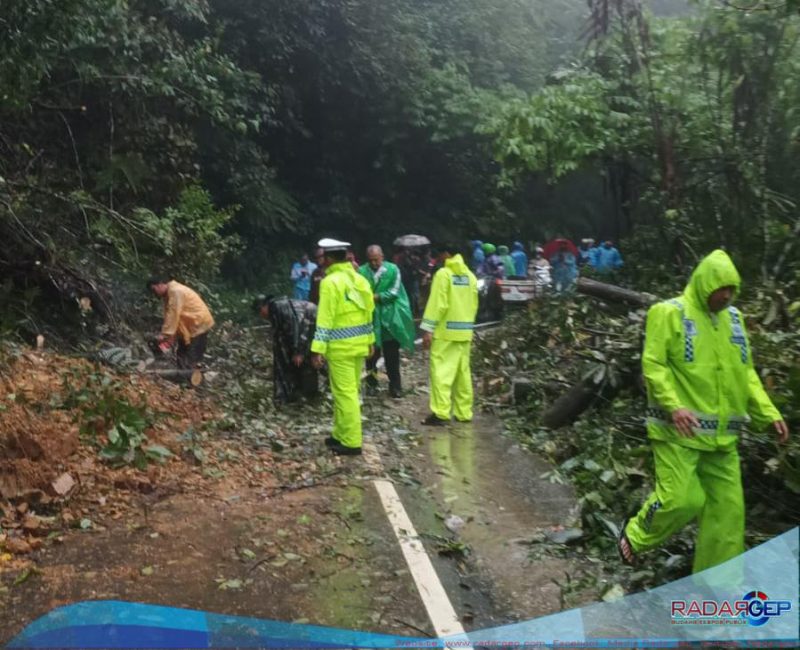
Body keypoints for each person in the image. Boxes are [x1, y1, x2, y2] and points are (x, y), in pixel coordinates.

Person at [619, 250, 788, 573]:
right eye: (720, 288)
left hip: (723, 440)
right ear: (704, 283)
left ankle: (719, 589)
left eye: (731, 289)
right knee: (683, 500)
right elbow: (653, 365)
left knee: (728, 515)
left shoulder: (734, 321)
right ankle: (635, 535)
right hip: (677, 433)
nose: (725, 295)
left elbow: (746, 373)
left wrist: (769, 414)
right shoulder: (669, 313)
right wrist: (674, 406)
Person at [310, 238, 375, 456]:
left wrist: (317, 349)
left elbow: (325, 318)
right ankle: (339, 434)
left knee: (345, 394)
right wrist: (370, 340)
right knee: (347, 391)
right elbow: (368, 313)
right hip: (359, 346)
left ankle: (351, 441)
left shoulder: (330, 282)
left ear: (328, 259)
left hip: (341, 348)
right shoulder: (359, 280)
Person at [420, 244, 479, 426]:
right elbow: (474, 304)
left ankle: (441, 413)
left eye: (439, 255)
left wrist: (428, 329)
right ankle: (464, 412)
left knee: (441, 373)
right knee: (462, 374)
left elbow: (438, 303)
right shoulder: (470, 276)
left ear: (446, 254)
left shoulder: (443, 275)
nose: (438, 259)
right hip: (464, 331)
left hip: (445, 332)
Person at [359, 245, 416, 398]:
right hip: (370, 319)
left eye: (376, 260)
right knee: (371, 355)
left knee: (392, 356)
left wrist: (375, 297)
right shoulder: (361, 272)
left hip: (389, 319)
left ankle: (395, 387)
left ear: (382, 257)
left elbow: (394, 292)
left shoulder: (393, 270)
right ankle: (371, 384)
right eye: (371, 260)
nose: (374, 264)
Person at [255, 295, 319, 403]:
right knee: (290, 357)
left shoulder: (279, 306)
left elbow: (297, 327)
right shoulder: (275, 310)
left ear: (264, 306)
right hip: (304, 323)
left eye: (260, 311)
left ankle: (310, 394)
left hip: (310, 318)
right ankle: (295, 391)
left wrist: (299, 351)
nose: (261, 315)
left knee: (305, 359)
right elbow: (281, 337)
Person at [147, 277, 214, 370]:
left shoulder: (175, 292)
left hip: (198, 324)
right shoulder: (170, 294)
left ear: (160, 284)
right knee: (182, 353)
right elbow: (171, 316)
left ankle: (190, 378)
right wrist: (170, 336)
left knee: (191, 355)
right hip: (190, 326)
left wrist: (165, 334)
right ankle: (183, 377)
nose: (154, 294)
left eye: (154, 290)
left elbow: (173, 314)